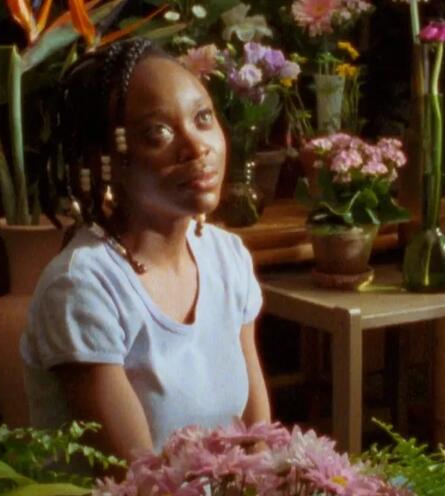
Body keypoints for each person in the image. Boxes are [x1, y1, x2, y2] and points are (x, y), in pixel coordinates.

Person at [20, 38, 271, 462]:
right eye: (159, 133)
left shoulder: (228, 259)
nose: (197, 148)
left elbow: (259, 439)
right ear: (108, 159)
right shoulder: (82, 286)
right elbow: (137, 485)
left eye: (203, 118)